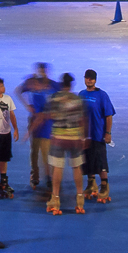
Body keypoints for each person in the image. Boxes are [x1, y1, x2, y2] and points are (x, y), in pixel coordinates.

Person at [33, 73, 88, 214]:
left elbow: (47, 116)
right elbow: (83, 120)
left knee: (57, 168)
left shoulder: (54, 98)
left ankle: (55, 200)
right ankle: (80, 200)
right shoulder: (78, 99)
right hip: (75, 138)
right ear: (71, 85)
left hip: (58, 137)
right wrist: (84, 137)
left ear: (61, 84)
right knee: (77, 167)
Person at [79, 69, 116, 203]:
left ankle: (105, 186)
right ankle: (91, 184)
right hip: (85, 136)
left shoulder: (102, 95)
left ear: (95, 80)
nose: (89, 80)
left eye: (91, 78)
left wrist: (108, 133)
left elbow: (108, 116)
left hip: (98, 135)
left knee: (101, 162)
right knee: (88, 161)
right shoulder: (81, 94)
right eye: (87, 78)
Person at [18, 63, 55, 194]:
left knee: (46, 151)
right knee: (34, 150)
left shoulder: (52, 85)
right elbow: (18, 90)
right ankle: (35, 175)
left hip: (47, 123)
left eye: (44, 71)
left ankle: (48, 177)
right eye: (40, 71)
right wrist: (27, 105)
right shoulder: (32, 83)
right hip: (34, 121)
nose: (42, 74)